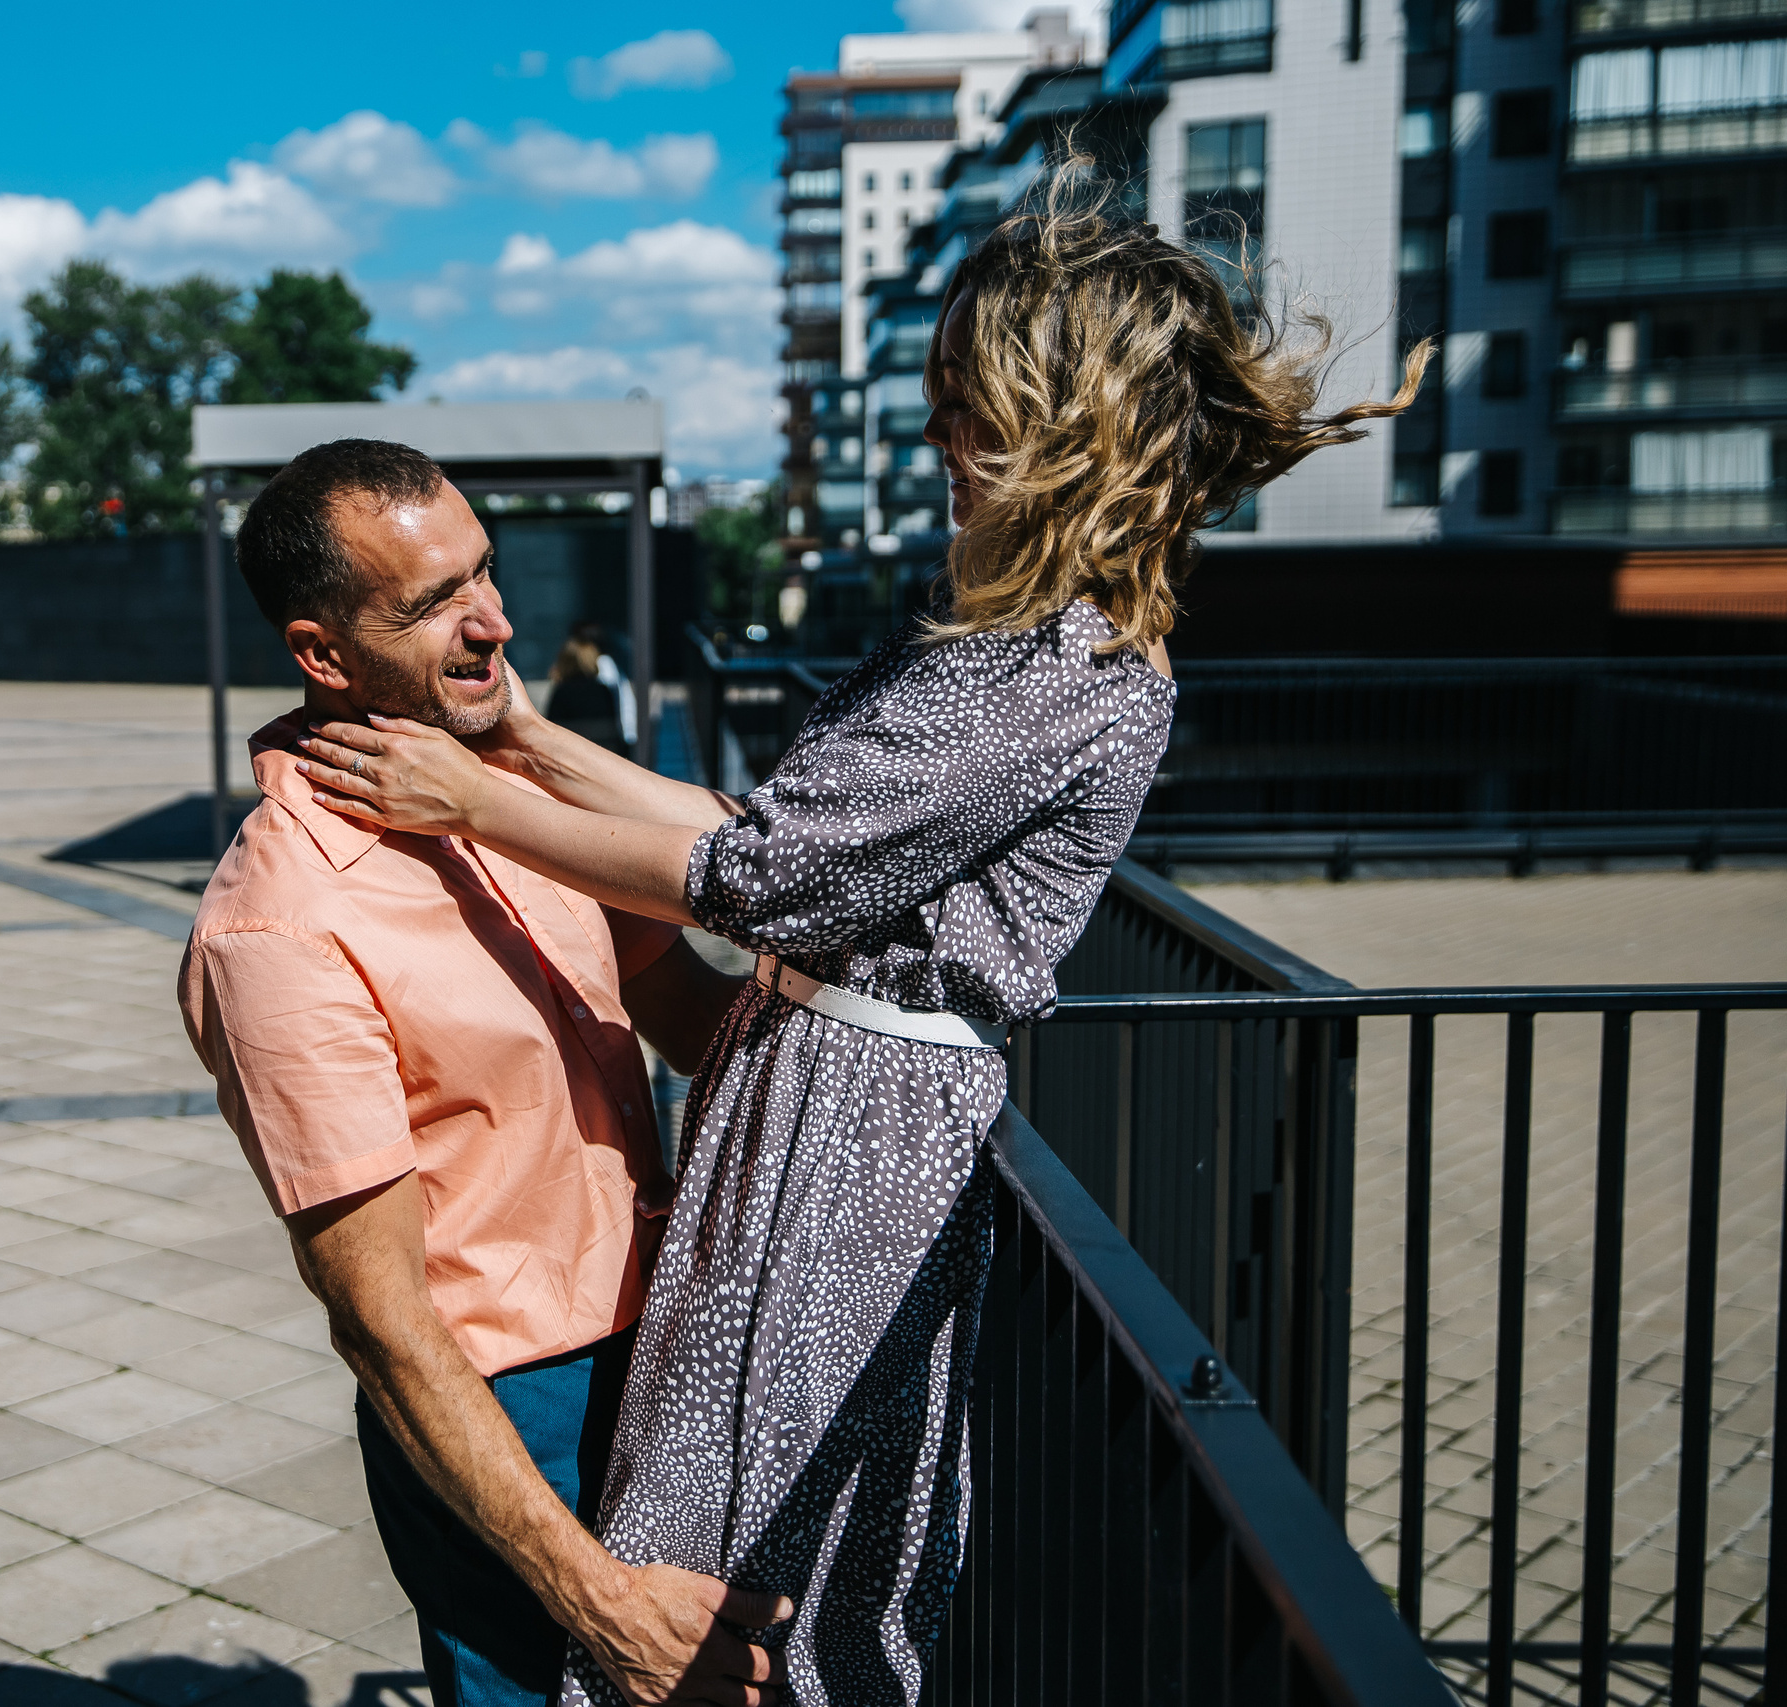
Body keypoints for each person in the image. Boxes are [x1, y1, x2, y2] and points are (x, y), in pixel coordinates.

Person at [292, 170, 1426, 1706]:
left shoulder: (1064, 666)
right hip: (807, 1101)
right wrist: (531, 746)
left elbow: (756, 879)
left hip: (857, 1143)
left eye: (971, 409)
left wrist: (472, 800)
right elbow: (755, 821)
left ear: (1061, 431)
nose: (943, 440)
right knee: (722, 1499)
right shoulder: (986, 633)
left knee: (751, 1540)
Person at [176, 438, 788, 1707]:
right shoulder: (279, 924)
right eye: (432, 604)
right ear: (322, 655)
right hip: (514, 1410)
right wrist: (598, 1600)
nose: (492, 622)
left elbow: (690, 1008)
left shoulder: (501, 791)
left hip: (665, 1339)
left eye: (484, 574)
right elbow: (382, 1317)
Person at [543, 630, 623, 753]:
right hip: (604, 755)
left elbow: (551, 730)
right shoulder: (603, 691)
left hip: (571, 757)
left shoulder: (562, 692)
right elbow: (614, 730)